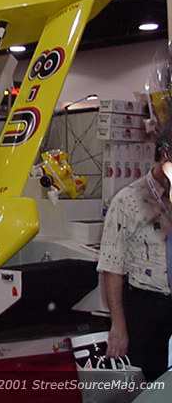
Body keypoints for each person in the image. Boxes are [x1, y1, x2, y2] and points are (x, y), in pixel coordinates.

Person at [98, 131, 172, 381]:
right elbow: (112, 267)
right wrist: (118, 325)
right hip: (147, 307)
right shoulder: (127, 201)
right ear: (165, 155)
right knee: (150, 384)